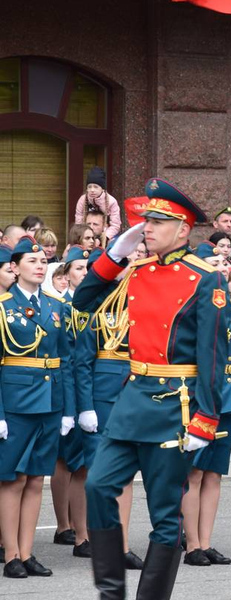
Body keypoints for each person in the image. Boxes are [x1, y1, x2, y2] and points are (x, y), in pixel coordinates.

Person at [68, 177, 228, 600]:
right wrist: (113, 255)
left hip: (174, 406)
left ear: (182, 228)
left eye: (157, 222)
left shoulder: (206, 279)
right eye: (145, 221)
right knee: (98, 486)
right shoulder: (136, 270)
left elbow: (213, 355)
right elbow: (83, 299)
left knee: (164, 517)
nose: (146, 229)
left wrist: (207, 418)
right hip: (133, 398)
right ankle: (110, 597)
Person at [1, 236, 75, 578]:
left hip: (50, 400)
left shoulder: (57, 307)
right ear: (14, 268)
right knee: (12, 480)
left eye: (42, 261)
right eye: (32, 261)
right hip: (16, 402)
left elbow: (67, 361)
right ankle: (12, 554)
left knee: (35, 480)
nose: (40, 265)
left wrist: (69, 410)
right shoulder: (3, 306)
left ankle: (28, 552)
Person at [72, 250, 144, 572]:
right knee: (97, 473)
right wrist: (85, 407)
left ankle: (122, 543)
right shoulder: (94, 307)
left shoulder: (141, 304)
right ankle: (90, 539)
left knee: (126, 474)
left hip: (133, 394)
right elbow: (83, 363)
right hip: (101, 398)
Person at [182, 267, 231, 567]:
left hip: (230, 395)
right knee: (194, 473)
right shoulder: (195, 307)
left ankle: (207, 542)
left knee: (214, 473)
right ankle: (192, 543)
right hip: (203, 395)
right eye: (229, 280)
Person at [49, 246, 93, 558]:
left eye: (89, 268)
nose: (85, 274)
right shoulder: (61, 308)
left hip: (92, 392)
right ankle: (67, 526)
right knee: (67, 462)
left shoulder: (95, 307)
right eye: (79, 269)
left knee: (86, 464)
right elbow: (65, 360)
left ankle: (83, 529)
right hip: (71, 393)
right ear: (66, 275)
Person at [74, 167, 122, 241]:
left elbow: (115, 225)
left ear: (102, 188)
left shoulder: (112, 202)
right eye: (89, 187)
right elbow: (78, 222)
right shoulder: (82, 200)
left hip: (107, 236)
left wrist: (103, 238)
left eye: (96, 187)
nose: (92, 190)